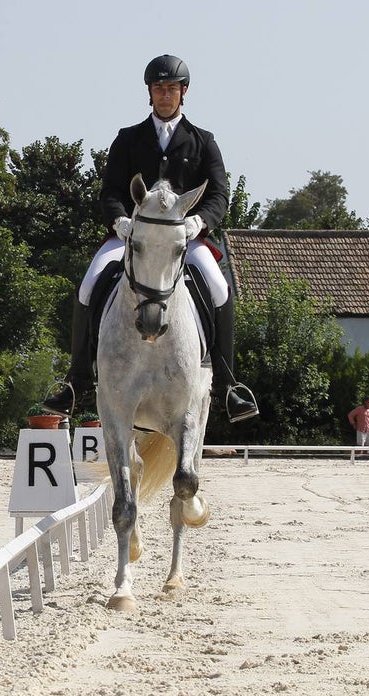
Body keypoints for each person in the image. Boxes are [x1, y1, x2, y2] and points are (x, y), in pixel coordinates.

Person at [42, 54, 258, 423]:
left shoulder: (203, 142)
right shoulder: (128, 139)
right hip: (131, 238)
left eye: (171, 88)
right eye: (159, 88)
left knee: (219, 288)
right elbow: (110, 191)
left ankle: (226, 385)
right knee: (89, 283)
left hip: (182, 241)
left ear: (183, 92)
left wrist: (198, 223)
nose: (164, 94)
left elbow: (220, 195)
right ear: (150, 93)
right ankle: (77, 381)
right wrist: (120, 221)